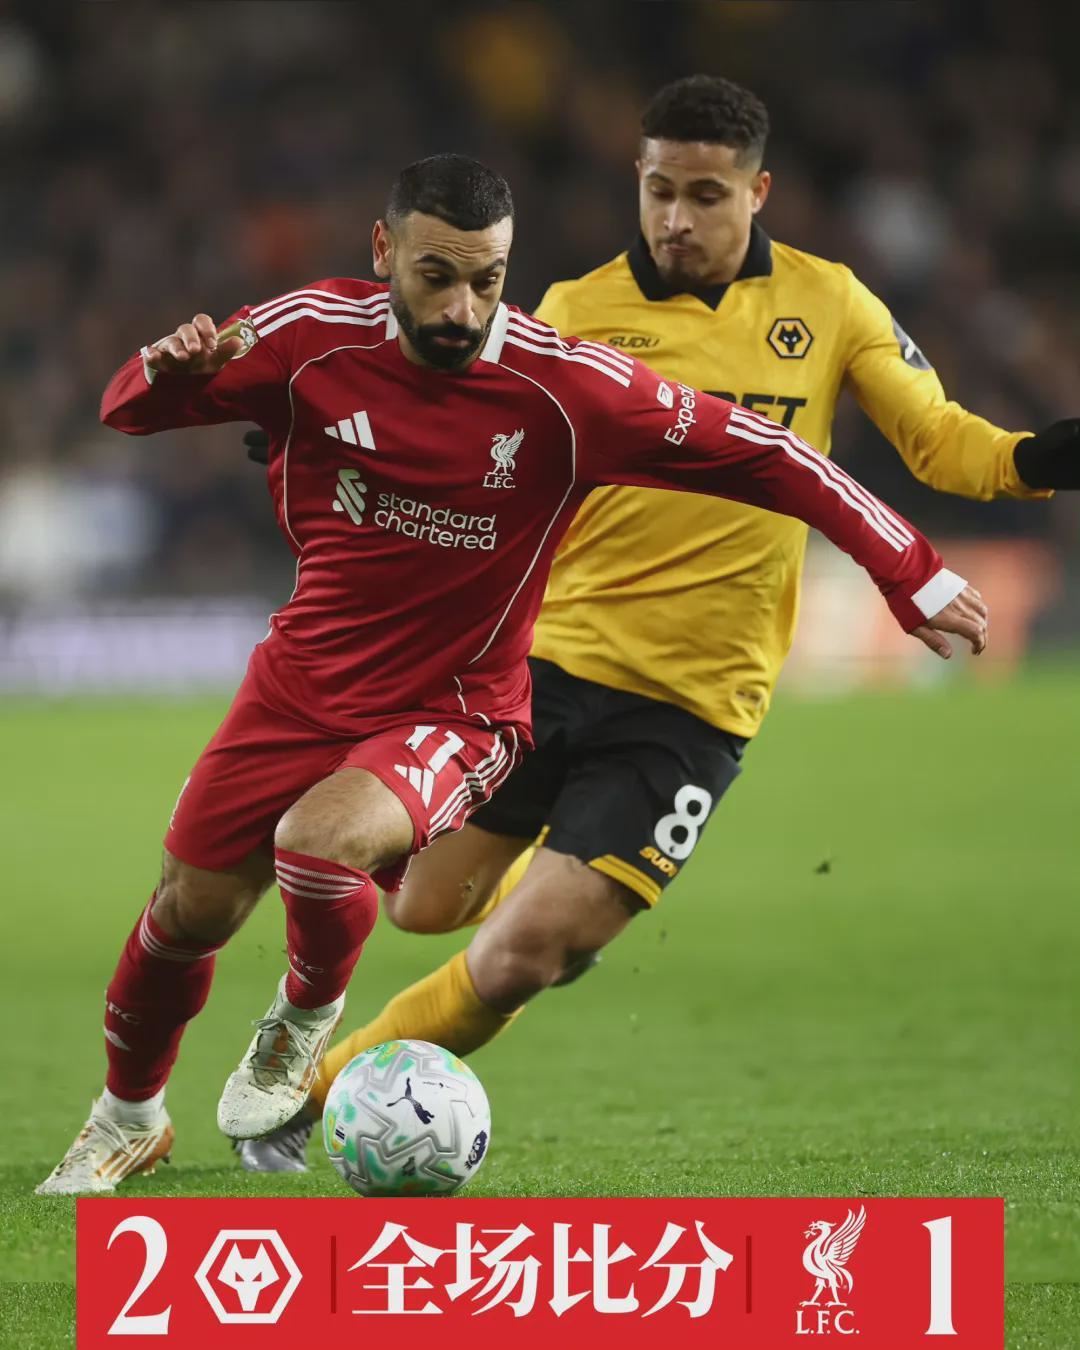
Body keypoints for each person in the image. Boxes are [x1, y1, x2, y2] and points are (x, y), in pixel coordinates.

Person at [36, 151, 982, 1195]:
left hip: (458, 706)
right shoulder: (309, 336)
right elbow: (128, 409)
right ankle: (128, 1117)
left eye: (486, 279)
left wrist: (911, 570)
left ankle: (300, 1025)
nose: (462, 307)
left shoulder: (567, 388)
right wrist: (162, 373)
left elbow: (768, 452)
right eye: (437, 275)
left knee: (318, 844)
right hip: (299, 683)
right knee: (187, 911)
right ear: (384, 251)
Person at [237, 75, 1078, 1174]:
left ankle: (313, 1096)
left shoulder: (829, 304)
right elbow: (463, 430)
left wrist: (1042, 459)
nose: (677, 218)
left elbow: (945, 443)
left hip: (693, 707)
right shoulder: (574, 310)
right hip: (544, 665)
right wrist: (320, 430)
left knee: (523, 953)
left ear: (757, 192)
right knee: (426, 910)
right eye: (659, 190)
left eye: (706, 195)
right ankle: (514, 898)